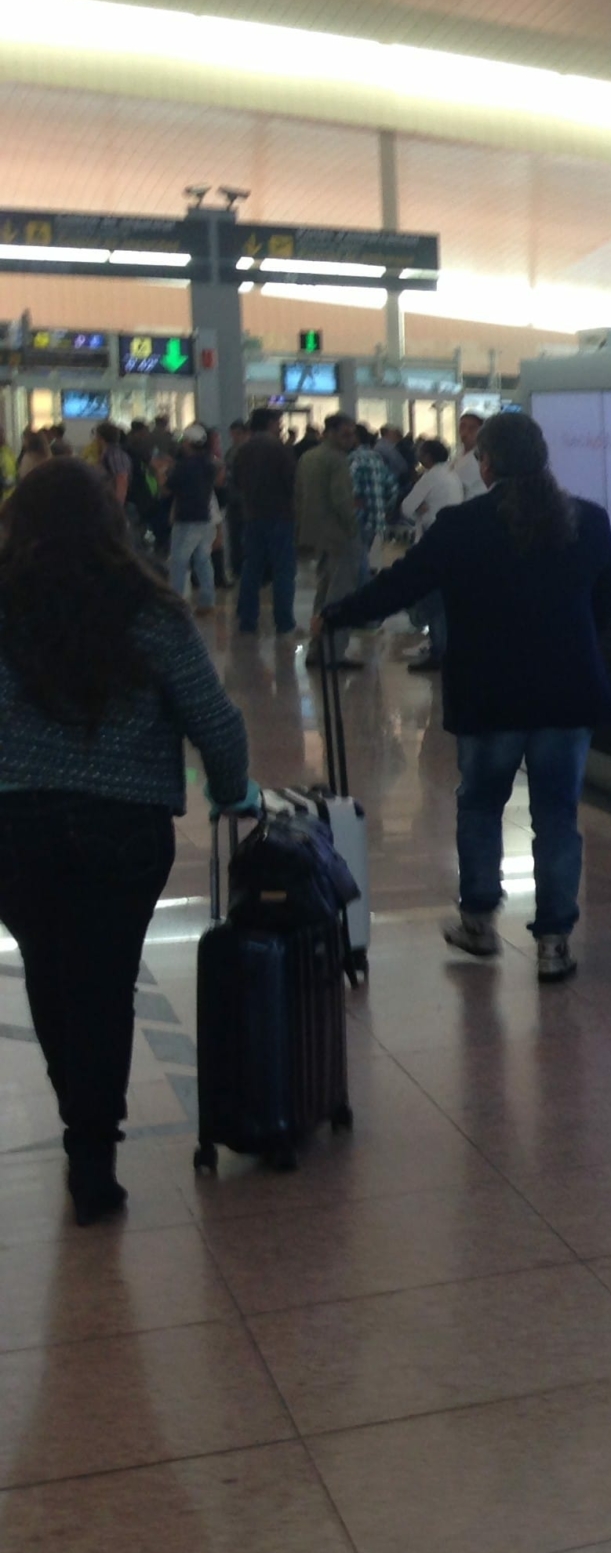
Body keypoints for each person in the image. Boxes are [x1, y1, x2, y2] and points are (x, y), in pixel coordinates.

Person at [0, 461, 252, 1223]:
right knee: (105, 982)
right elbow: (216, 721)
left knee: (49, 970)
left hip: (15, 827)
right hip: (124, 828)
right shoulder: (150, 610)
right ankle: (93, 1150)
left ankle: (79, 1119)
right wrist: (232, 791)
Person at [322, 411, 611, 983]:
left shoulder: (463, 526)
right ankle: (554, 941)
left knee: (481, 805)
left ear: (487, 464)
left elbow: (400, 585)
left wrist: (338, 614)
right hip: (567, 693)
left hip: (490, 694)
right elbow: (606, 604)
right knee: (557, 817)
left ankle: (479, 922)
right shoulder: (587, 520)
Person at [294, 420, 363, 669]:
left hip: (316, 535)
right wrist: (353, 529)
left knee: (322, 594)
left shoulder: (308, 457)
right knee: (340, 594)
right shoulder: (337, 460)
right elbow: (342, 500)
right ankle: (333, 653)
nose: (350, 438)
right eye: (345, 434)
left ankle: (316, 649)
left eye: (352, 434)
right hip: (339, 536)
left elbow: (299, 496)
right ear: (330, 433)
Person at [229, 407, 300, 634]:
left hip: (251, 515)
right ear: (270, 423)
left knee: (252, 567)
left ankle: (247, 620)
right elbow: (292, 482)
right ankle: (284, 621)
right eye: (278, 422)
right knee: (283, 569)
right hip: (280, 516)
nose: (280, 427)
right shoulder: (279, 449)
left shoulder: (243, 450)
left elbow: (237, 482)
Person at [396, 437, 465, 670]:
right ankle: (445, 648)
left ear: (427, 456)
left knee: (431, 599)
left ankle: (438, 650)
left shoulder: (430, 477)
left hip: (431, 540)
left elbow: (406, 507)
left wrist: (419, 513)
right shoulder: (451, 475)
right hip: (453, 541)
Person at [166, 429, 222, 612]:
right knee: (202, 560)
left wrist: (160, 472)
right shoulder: (209, 464)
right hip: (205, 518)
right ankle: (207, 601)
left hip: (187, 518)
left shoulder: (184, 465)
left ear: (188, 442)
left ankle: (176, 603)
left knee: (178, 561)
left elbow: (168, 488)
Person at [347, 425, 401, 589]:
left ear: (355, 438)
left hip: (359, 519)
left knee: (359, 561)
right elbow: (392, 487)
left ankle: (363, 599)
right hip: (378, 519)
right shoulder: (376, 458)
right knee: (373, 561)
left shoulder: (353, 459)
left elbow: (351, 489)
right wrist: (384, 508)